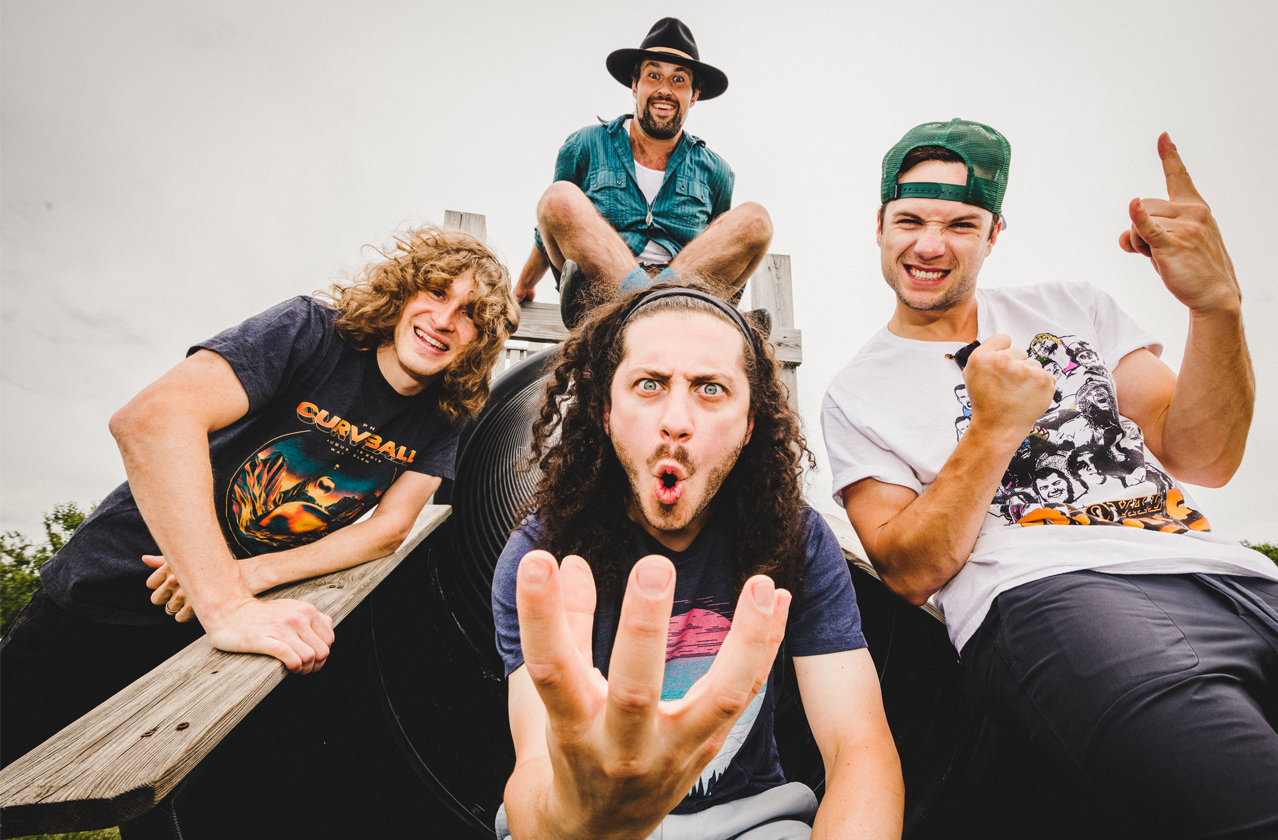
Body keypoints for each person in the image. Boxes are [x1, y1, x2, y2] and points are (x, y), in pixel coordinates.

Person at [822, 119, 1278, 838]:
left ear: (994, 233)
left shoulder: (1073, 306)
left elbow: (1206, 456)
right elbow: (909, 571)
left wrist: (1216, 308)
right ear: (879, 226)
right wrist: (994, 428)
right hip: (1062, 599)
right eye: (910, 220)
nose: (930, 244)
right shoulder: (857, 392)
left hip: (1244, 581)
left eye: (960, 223)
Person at [1, 225, 519, 768]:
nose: (444, 320)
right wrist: (223, 596)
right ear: (402, 291)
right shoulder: (312, 332)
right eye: (437, 293)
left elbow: (388, 527)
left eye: (471, 316)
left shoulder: (446, 413)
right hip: (112, 591)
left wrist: (244, 579)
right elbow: (153, 421)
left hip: (219, 634)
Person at [492, 286, 902, 839]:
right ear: (607, 413)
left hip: (749, 823)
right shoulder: (541, 553)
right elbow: (533, 776)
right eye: (649, 385)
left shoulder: (795, 540)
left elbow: (860, 748)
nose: (676, 420)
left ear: (750, 423)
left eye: (711, 389)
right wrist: (586, 822)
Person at [512, 18, 773, 328]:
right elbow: (551, 228)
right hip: (602, 297)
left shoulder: (715, 171)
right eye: (653, 75)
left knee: (756, 219)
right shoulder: (586, 144)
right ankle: (652, 304)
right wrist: (524, 284)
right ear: (635, 85)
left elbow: (718, 248)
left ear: (694, 96)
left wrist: (669, 287)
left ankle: (657, 303)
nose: (664, 89)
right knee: (557, 197)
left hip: (683, 297)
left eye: (679, 80)